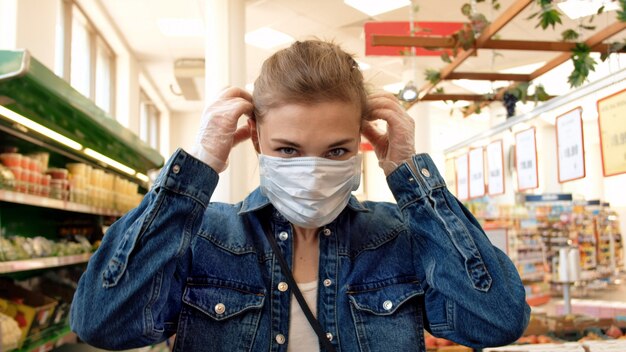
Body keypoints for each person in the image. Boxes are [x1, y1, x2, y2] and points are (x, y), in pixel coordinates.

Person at [70, 40, 530, 352]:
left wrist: (413, 180)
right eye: (288, 150)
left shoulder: (398, 238)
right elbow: (103, 322)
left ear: (362, 144)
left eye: (336, 151)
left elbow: (496, 321)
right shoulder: (204, 238)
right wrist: (197, 167)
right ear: (255, 141)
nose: (311, 172)